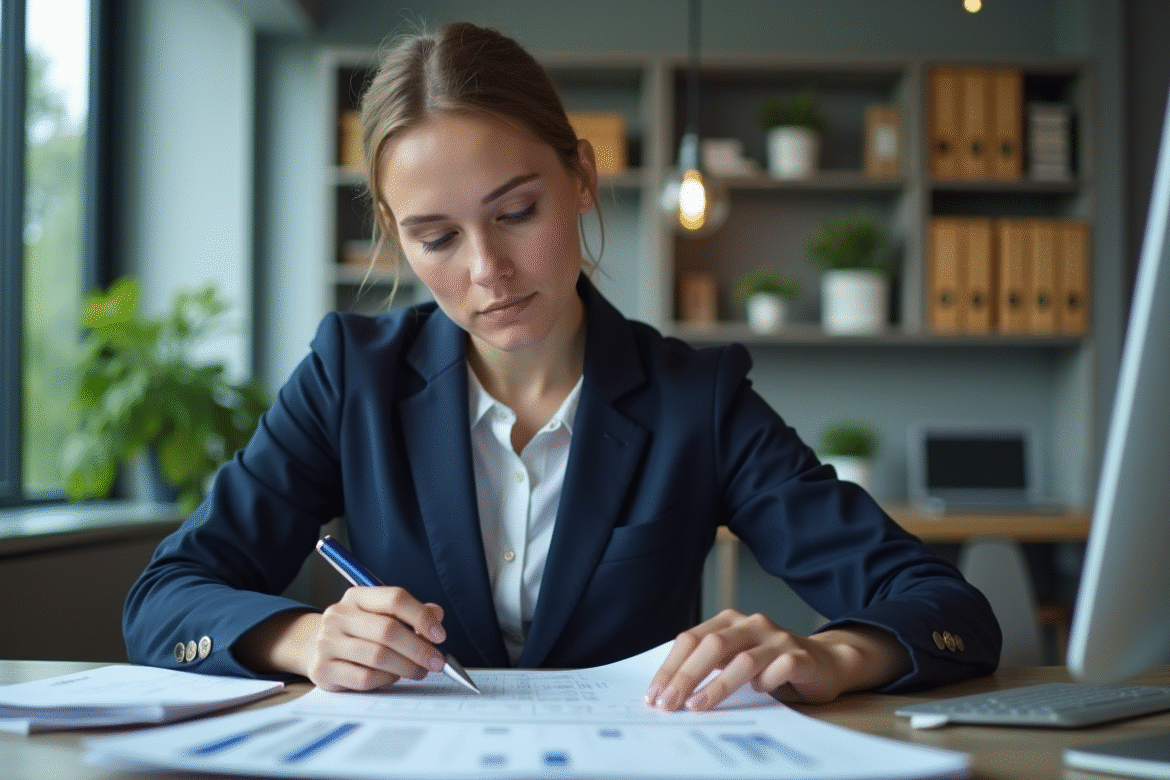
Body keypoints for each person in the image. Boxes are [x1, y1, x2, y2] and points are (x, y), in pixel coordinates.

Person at [123, 21, 1000, 713]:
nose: (486, 272)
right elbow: (164, 598)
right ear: (397, 238)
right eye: (436, 238)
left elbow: (942, 605)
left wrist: (831, 654)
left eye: (517, 212)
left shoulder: (698, 399)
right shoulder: (350, 377)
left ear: (580, 177)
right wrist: (306, 638)